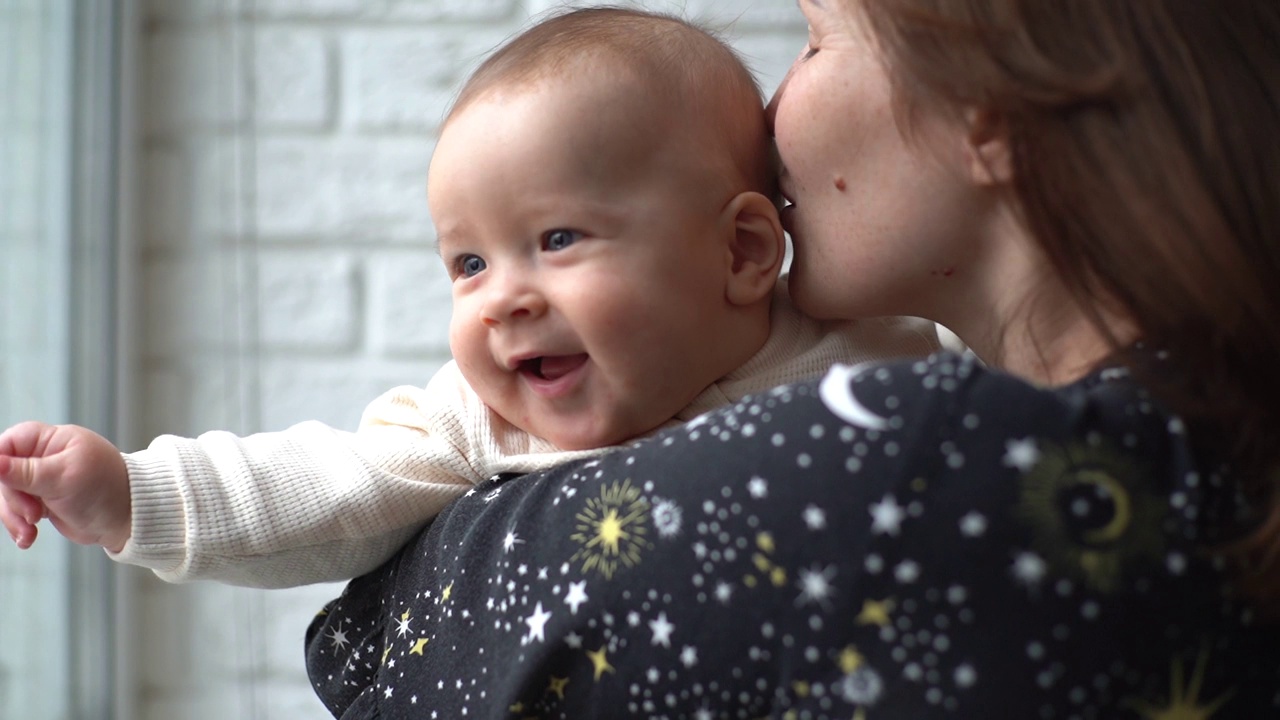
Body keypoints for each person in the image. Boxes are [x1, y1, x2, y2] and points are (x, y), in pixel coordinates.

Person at [302, 0, 1280, 717]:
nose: (769, 113)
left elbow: (362, 648)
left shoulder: (916, 460)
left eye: (813, 39)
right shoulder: (1220, 444)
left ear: (989, 111)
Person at [0, 9, 937, 588]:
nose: (500, 303)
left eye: (557, 240)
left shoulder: (874, 354)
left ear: (739, 252)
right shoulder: (478, 423)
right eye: (468, 265)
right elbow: (319, 495)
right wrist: (130, 493)